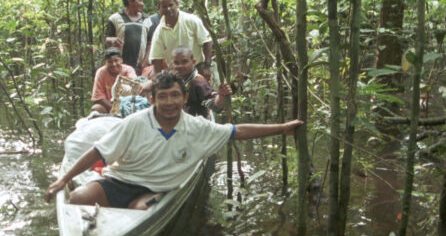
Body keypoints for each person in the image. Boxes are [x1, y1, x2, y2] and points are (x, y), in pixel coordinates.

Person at [46, 71, 302, 209]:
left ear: (184, 97)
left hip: (153, 191)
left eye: (175, 96)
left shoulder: (197, 127)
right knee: (78, 198)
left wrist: (282, 128)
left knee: (141, 211)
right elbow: (97, 153)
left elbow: (238, 131)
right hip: (119, 181)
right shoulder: (135, 122)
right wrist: (63, 180)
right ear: (153, 99)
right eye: (163, 97)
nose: (169, 103)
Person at [148, 0, 212, 74]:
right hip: (176, 72)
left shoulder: (191, 20)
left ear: (177, 4)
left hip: (196, 69)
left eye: (171, 5)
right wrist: (157, 79)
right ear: (159, 8)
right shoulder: (159, 31)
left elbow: (206, 41)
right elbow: (157, 58)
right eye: (164, 6)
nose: (168, 9)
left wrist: (207, 65)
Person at [170, 46, 231, 118]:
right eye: (176, 63)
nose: (180, 66)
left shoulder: (198, 82)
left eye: (184, 62)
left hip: (199, 126)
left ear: (193, 62)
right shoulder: (175, 79)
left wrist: (221, 96)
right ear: (172, 64)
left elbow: (214, 105)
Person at [105, 0, 156, 71]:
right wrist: (112, 40)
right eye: (140, 0)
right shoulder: (115, 18)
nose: (142, 4)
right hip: (119, 65)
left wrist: (146, 61)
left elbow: (150, 43)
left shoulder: (147, 20)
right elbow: (107, 38)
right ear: (130, 1)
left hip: (139, 66)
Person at [90, 48, 136, 114]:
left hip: (127, 105)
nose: (113, 64)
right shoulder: (101, 72)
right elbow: (98, 97)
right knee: (96, 108)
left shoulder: (128, 70)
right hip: (109, 106)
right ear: (105, 63)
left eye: (116, 60)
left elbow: (135, 87)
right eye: (110, 62)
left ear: (121, 60)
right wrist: (114, 109)